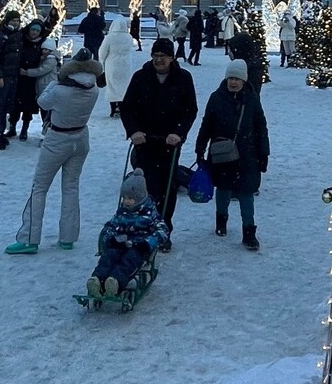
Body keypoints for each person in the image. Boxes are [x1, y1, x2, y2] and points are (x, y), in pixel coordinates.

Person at [6, 50, 103, 255]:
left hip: (57, 138)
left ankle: (29, 238)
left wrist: (54, 82)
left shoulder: (59, 90)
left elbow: (42, 102)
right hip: (81, 137)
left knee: (40, 187)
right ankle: (68, 237)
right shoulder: (94, 89)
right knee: (71, 187)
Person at [120, 37, 198, 245]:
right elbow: (127, 107)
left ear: (172, 58)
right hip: (144, 141)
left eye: (163, 56)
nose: (159, 60)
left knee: (167, 188)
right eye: (155, 55)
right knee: (144, 186)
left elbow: (190, 110)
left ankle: (163, 229)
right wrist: (133, 131)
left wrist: (179, 133)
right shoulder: (140, 77)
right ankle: (141, 227)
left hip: (169, 142)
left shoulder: (183, 78)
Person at [194, 57, 270, 250]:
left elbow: (261, 126)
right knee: (223, 188)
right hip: (222, 153)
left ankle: (249, 231)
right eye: (230, 78)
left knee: (246, 193)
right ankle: (221, 220)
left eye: (237, 79)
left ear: (243, 80)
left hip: (247, 154)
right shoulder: (216, 97)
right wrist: (200, 147)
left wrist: (264, 153)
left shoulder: (252, 99)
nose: (233, 82)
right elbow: (207, 124)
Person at [87, 170, 169, 299]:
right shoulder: (122, 212)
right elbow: (110, 226)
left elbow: (163, 230)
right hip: (120, 244)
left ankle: (115, 283)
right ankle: (97, 280)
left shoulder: (149, 213)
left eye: (130, 198)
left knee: (129, 261)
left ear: (140, 198)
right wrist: (111, 239)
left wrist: (147, 243)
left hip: (139, 247)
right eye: (124, 198)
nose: (126, 201)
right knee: (108, 257)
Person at [0, 9, 26, 150]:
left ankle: (0, 132)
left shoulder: (17, 35)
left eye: (17, 21)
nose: (15, 23)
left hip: (13, 77)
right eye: (13, 20)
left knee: (5, 106)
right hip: (2, 78)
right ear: (7, 21)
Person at [15, 18, 55, 140]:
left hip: (32, 80)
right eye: (33, 30)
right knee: (15, 104)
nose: (34, 33)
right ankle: (12, 126)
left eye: (37, 31)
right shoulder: (21, 39)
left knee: (28, 106)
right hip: (19, 77)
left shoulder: (43, 45)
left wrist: (28, 71)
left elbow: (42, 68)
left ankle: (25, 129)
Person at [98, 16, 136, 118]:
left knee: (112, 87)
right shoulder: (129, 37)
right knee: (124, 87)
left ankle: (114, 108)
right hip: (125, 65)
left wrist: (101, 62)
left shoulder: (110, 37)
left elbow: (102, 52)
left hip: (112, 64)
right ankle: (122, 106)